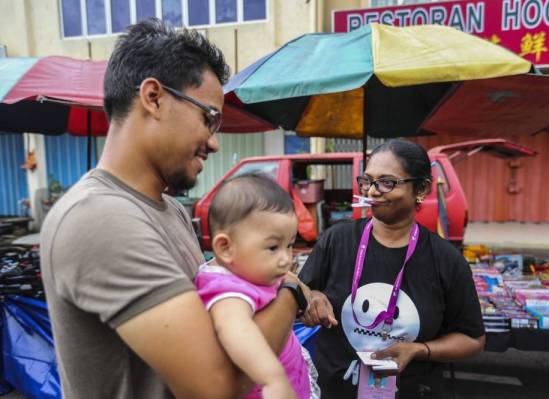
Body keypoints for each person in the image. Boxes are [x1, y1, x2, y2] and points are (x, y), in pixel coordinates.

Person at [40, 19, 301, 399]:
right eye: (209, 118)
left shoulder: (169, 210)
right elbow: (217, 385)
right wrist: (291, 292)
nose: (213, 144)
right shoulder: (99, 218)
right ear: (153, 98)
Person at [299, 139, 485, 398]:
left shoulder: (447, 261)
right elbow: (295, 291)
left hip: (411, 389)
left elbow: (472, 339)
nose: (373, 191)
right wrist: (312, 296)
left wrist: (419, 350)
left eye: (387, 182)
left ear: (420, 188)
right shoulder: (337, 240)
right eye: (367, 181)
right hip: (333, 388)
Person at [196, 173, 318, 399]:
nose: (286, 259)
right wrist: (272, 378)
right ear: (225, 248)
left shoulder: (250, 272)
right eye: (273, 247)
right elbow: (236, 329)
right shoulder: (227, 290)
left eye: (289, 245)